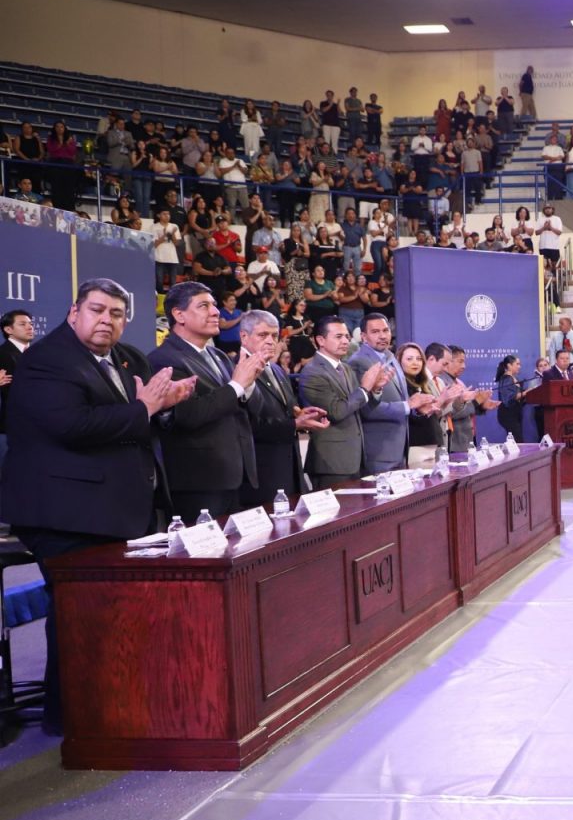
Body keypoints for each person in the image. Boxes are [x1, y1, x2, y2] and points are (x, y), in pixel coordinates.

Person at [1, 278, 195, 734]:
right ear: (74, 313)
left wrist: (164, 406)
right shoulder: (47, 360)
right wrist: (145, 408)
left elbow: (138, 422)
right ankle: (71, 718)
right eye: (97, 310)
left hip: (114, 509)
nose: (107, 320)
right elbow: (72, 426)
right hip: (64, 513)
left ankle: (109, 703)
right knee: (79, 616)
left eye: (116, 313)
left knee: (110, 615)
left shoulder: (128, 358)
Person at [148, 281, 263, 519]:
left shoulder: (218, 355)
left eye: (214, 305)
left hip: (235, 476)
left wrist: (249, 383)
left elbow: (250, 409)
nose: (215, 312)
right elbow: (187, 415)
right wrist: (236, 385)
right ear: (178, 314)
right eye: (204, 306)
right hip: (198, 482)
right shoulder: (164, 359)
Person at [238, 310, 329, 506]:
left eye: (274, 335)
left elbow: (286, 411)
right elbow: (246, 425)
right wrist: (295, 424)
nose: (270, 341)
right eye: (263, 335)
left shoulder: (277, 370)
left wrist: (301, 415)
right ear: (244, 337)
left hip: (289, 468)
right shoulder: (237, 371)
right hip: (260, 474)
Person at [298, 316, 389, 488]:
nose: (346, 341)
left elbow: (359, 407)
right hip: (332, 463)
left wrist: (375, 390)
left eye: (347, 336)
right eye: (339, 336)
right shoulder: (312, 372)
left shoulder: (345, 368)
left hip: (356, 458)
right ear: (320, 340)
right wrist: (365, 388)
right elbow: (336, 411)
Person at [350, 313, 436, 475]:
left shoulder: (390, 357)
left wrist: (416, 409)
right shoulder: (358, 361)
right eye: (375, 332)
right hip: (379, 452)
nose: (382, 336)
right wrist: (407, 406)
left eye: (386, 330)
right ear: (363, 336)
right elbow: (366, 409)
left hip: (400, 449)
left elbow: (403, 401)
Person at [0, 309, 35, 472]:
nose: (30, 327)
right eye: (23, 324)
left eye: (30, 323)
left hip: (40, 428)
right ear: (8, 329)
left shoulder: (39, 354)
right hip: (13, 429)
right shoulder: (2, 354)